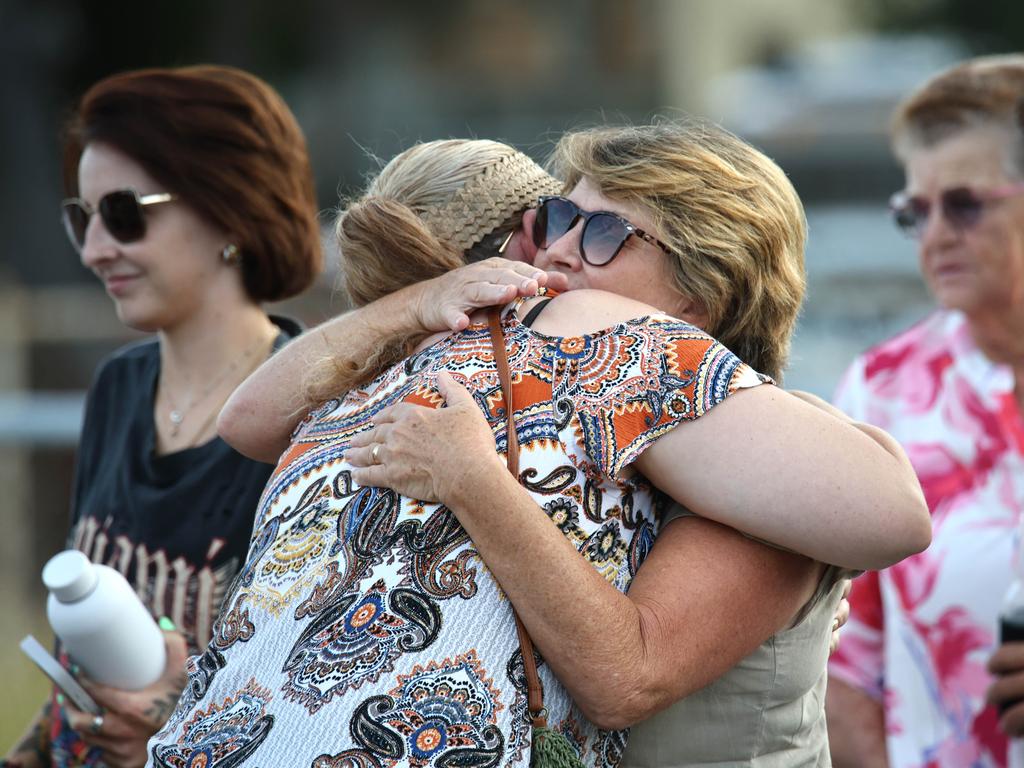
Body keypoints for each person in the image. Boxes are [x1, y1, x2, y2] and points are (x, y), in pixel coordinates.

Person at [165, 130, 929, 766]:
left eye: (600, 232)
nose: (556, 251)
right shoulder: (590, 398)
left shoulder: (758, 449)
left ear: (703, 290)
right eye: (559, 216)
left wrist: (472, 478)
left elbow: (897, 517)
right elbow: (249, 421)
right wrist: (420, 303)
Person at [3, 65, 322, 768]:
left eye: (124, 215)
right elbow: (74, 687)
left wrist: (175, 731)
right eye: (80, 219)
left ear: (229, 208)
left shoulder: (310, 412)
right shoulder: (118, 387)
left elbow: (311, 692)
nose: (92, 251)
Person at [825, 55, 1024, 768]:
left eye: (965, 204)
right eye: (916, 211)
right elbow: (843, 661)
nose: (936, 234)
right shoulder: (882, 390)